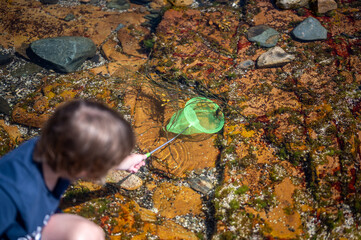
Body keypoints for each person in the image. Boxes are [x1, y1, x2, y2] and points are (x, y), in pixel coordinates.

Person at [0, 99, 146, 240]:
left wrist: (126, 161)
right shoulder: (8, 194)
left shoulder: (55, 147)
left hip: (36, 221)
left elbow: (86, 152)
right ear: (84, 169)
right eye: (103, 166)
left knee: (88, 234)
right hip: (20, 233)